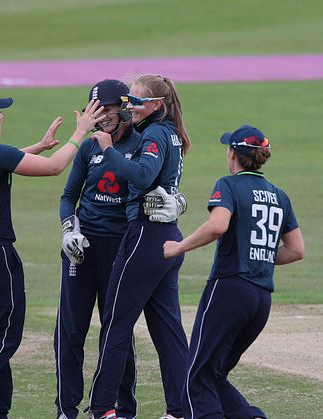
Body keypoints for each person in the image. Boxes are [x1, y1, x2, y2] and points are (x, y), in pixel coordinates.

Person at [0, 89, 104, 419]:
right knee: (4, 338)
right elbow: (55, 168)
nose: (2, 116)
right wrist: (81, 131)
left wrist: (37, 148)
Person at [163, 125, 305, 419]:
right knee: (213, 375)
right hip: (261, 299)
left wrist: (178, 247)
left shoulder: (228, 185)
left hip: (229, 289)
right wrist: (260, 255)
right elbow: (296, 250)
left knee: (196, 379)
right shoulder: (280, 195)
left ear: (233, 154)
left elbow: (218, 225)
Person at [86, 74, 191, 419]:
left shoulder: (156, 134)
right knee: (168, 331)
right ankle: (182, 409)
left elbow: (144, 176)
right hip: (168, 237)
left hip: (145, 237)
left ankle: (102, 409)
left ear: (157, 105)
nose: (129, 104)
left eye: (136, 100)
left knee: (116, 322)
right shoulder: (170, 133)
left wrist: (107, 150)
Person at [54, 80, 142, 419]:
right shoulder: (89, 147)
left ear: (123, 109)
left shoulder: (141, 144)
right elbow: (68, 197)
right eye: (95, 110)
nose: (100, 117)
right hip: (81, 248)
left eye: (106, 110)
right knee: (70, 329)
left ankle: (122, 407)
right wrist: (69, 229)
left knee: (117, 329)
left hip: (121, 250)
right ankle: (66, 409)